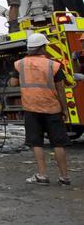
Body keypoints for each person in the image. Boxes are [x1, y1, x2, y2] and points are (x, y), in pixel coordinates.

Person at [8, 33, 70, 186]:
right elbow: (61, 89)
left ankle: (42, 175)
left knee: (37, 143)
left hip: (31, 109)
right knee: (58, 143)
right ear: (43, 47)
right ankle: (64, 177)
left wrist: (11, 78)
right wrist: (65, 110)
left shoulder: (20, 64)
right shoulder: (53, 65)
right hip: (52, 108)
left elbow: (13, 83)